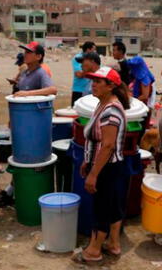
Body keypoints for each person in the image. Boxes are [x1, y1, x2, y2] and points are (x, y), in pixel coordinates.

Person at [73, 67, 130, 264]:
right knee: (113, 206)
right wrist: (87, 161)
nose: (93, 84)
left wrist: (93, 173)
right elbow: (96, 142)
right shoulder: (103, 103)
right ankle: (113, 244)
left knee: (101, 209)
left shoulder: (111, 110)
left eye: (99, 81)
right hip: (106, 166)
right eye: (93, 80)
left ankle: (93, 251)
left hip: (106, 168)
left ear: (111, 86)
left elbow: (107, 145)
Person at [0, 41, 57, 206]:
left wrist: (28, 93)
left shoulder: (40, 74)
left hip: (33, 127)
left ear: (38, 56)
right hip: (22, 123)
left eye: (29, 52)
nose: (25, 54)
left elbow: (52, 90)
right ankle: (12, 191)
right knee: (20, 158)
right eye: (25, 51)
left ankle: (14, 192)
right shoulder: (25, 73)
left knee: (29, 159)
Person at [72, 42, 96, 106]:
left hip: (91, 90)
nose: (94, 51)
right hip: (79, 89)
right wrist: (90, 71)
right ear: (88, 49)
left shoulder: (94, 58)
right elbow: (78, 74)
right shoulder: (77, 58)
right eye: (93, 49)